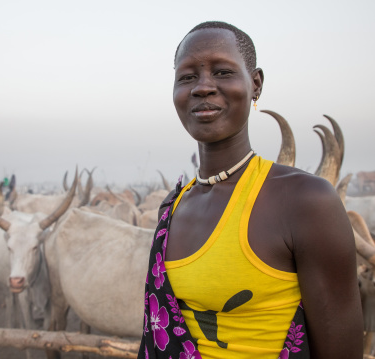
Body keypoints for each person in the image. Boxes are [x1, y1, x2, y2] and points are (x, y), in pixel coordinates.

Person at [139, 21, 363, 359]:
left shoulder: (306, 201)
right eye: (187, 77)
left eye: (223, 72)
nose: (203, 87)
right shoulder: (172, 209)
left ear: (255, 84)